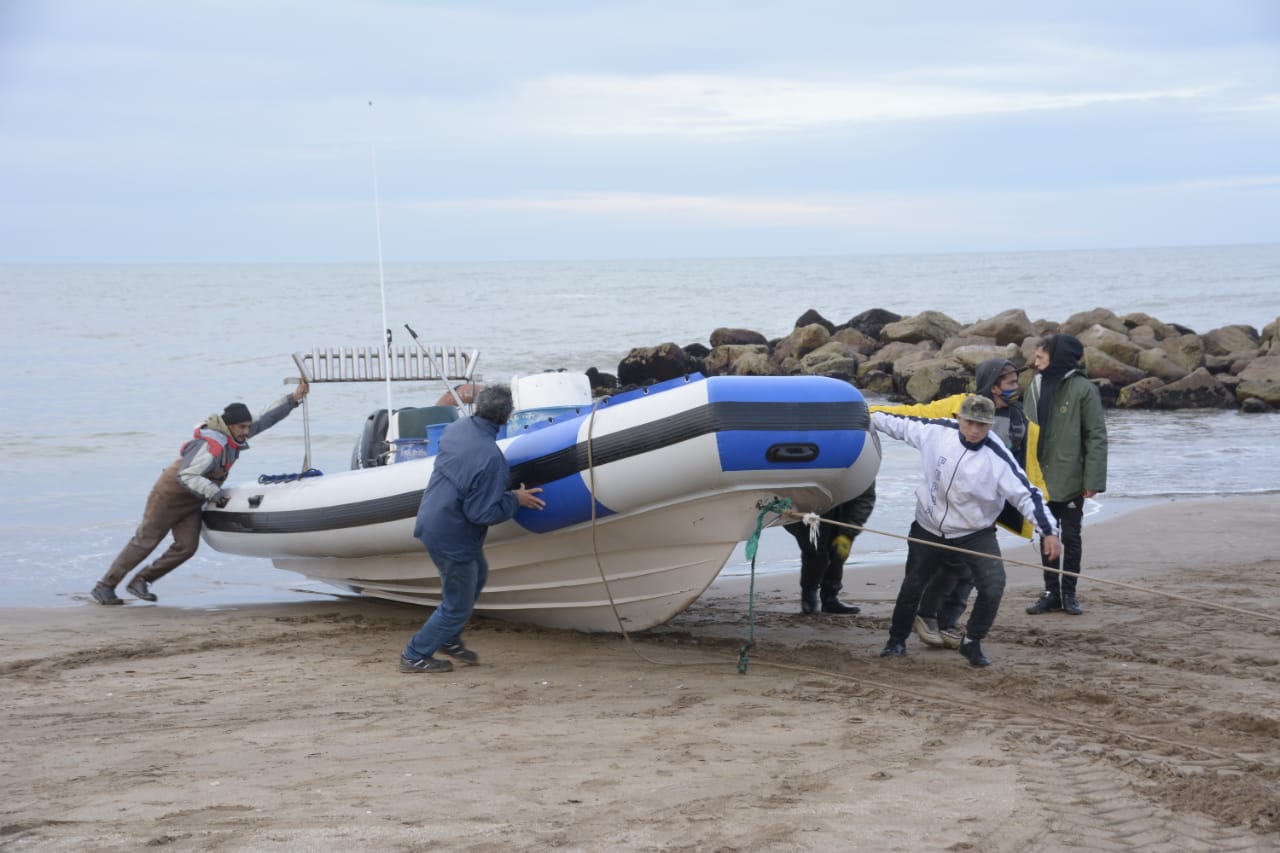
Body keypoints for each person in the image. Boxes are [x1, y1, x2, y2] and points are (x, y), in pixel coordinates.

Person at [873, 395, 1061, 667]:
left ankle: (972, 641)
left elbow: (1026, 494)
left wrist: (1049, 531)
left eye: (982, 426)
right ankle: (896, 641)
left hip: (975, 532)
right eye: (969, 423)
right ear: (958, 418)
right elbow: (896, 423)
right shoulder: (935, 432)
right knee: (913, 585)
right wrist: (863, 413)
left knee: (993, 585)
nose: (974, 431)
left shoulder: (997, 456)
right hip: (927, 525)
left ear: (990, 426)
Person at [91, 380, 310, 605]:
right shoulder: (211, 444)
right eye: (243, 427)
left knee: (186, 547)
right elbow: (186, 476)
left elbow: (265, 418)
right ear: (230, 426)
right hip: (170, 494)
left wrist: (293, 398)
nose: (247, 431)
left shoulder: (235, 434)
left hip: (194, 496)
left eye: (247, 427)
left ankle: (141, 580)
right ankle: (105, 586)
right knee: (146, 540)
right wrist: (214, 493)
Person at [399, 384, 546, 674]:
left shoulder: (457, 429)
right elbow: (481, 512)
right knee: (457, 604)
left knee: (478, 574)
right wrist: (515, 499)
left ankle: (449, 638)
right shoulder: (491, 459)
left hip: (433, 518)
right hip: (453, 535)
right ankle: (414, 655)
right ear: (506, 417)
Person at [1022, 334, 1108, 616]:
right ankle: (1051, 593)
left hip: (1072, 479)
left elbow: (1096, 436)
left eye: (1040, 358)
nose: (1034, 363)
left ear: (1056, 358)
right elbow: (1023, 432)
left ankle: (1069, 593)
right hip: (1039, 478)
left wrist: (1092, 480)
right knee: (1047, 534)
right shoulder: (1034, 385)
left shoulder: (1083, 389)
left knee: (1071, 537)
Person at [783, 482, 876, 614]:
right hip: (807, 510)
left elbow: (865, 499)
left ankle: (830, 598)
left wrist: (848, 533)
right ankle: (809, 595)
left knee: (838, 552)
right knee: (815, 554)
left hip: (843, 510)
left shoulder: (863, 469)